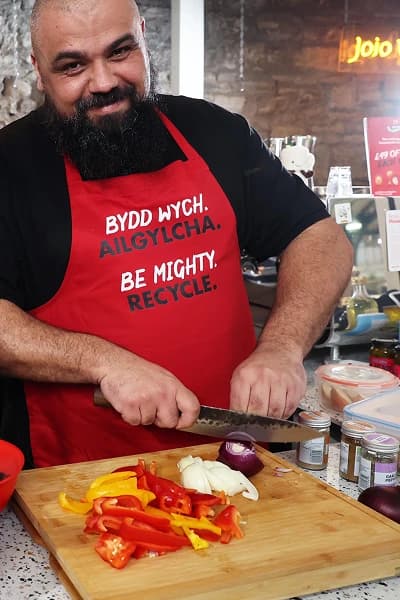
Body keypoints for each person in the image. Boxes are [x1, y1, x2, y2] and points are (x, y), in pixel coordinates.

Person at [0, 0, 353, 469]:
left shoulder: (215, 133)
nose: (103, 82)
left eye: (121, 51)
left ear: (145, 39)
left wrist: (282, 346)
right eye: (72, 66)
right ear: (39, 71)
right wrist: (105, 363)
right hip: (82, 480)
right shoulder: (10, 167)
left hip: (238, 463)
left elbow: (318, 236)